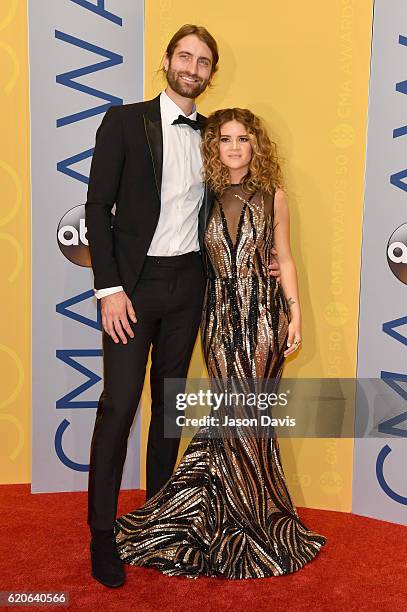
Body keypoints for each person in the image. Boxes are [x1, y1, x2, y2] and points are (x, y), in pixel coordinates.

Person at [85, 24, 280, 588]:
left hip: (190, 285)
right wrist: (109, 288)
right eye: (185, 57)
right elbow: (98, 209)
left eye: (203, 62)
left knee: (168, 412)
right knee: (119, 405)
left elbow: (239, 204)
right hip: (132, 287)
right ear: (167, 60)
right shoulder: (124, 122)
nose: (193, 68)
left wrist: (268, 258)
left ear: (211, 72)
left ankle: (156, 522)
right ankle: (102, 535)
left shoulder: (215, 135)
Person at [113, 109, 326, 579]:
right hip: (218, 321)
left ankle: (253, 517)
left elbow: (284, 259)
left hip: (265, 319)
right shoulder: (202, 199)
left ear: (256, 147)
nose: (233, 147)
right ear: (215, 147)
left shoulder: (274, 197)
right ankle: (223, 510)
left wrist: (296, 313)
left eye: (243, 139)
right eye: (225, 139)